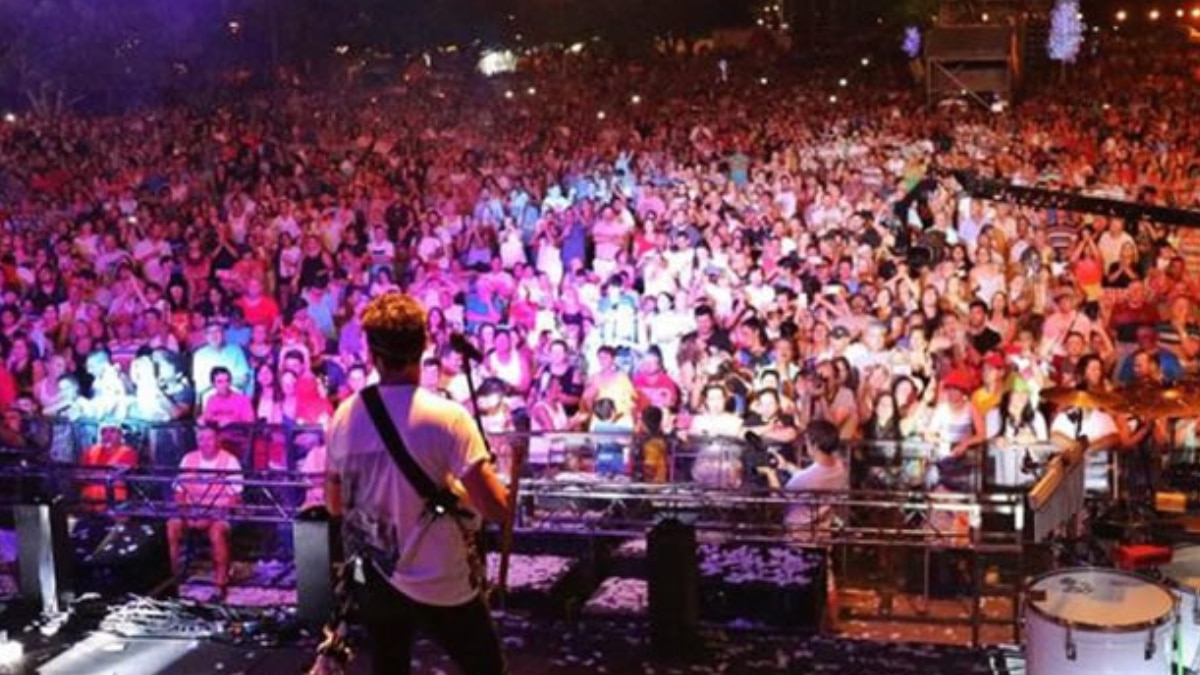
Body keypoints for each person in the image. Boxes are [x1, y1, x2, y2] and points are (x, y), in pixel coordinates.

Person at [325, 292, 509, 675]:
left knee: (390, 666)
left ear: (371, 353)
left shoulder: (344, 416)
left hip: (379, 576)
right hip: (443, 576)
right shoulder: (448, 417)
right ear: (424, 345)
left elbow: (335, 505)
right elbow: (495, 508)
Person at [167, 425, 243, 598]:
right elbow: (179, 492)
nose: (205, 443)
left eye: (209, 439)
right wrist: (186, 513)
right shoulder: (188, 458)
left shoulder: (230, 461)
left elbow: (234, 499)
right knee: (172, 525)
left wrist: (209, 518)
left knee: (216, 532)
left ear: (217, 440)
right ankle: (171, 579)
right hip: (192, 510)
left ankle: (220, 583)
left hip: (220, 512)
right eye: (201, 439)